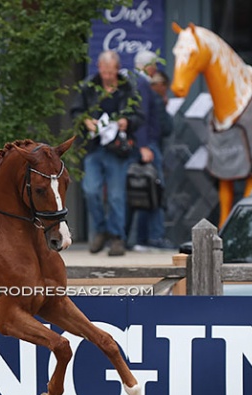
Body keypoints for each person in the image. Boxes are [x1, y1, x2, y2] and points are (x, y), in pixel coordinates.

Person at [70, 50, 143, 256]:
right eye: (105, 72)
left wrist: (126, 122)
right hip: (94, 147)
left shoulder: (127, 88)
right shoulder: (89, 86)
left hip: (117, 150)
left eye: (112, 72)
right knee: (91, 190)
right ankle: (101, 230)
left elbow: (139, 116)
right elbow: (75, 111)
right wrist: (85, 120)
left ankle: (117, 237)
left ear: (117, 70)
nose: (109, 76)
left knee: (116, 195)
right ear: (99, 68)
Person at [130, 50, 174, 250]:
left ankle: (140, 238)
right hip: (149, 146)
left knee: (143, 190)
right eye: (154, 66)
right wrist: (145, 146)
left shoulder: (131, 83)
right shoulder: (143, 86)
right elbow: (149, 120)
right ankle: (154, 237)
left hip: (139, 145)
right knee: (155, 190)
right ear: (149, 67)